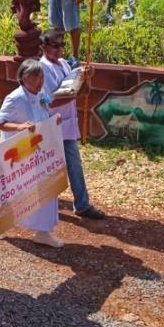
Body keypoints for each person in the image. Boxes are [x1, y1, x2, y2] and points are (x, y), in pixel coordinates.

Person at [0, 57, 65, 248]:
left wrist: (53, 120)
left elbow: (47, 108)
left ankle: (43, 231)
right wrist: (19, 127)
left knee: (46, 186)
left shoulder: (41, 93)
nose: (40, 81)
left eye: (41, 76)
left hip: (40, 149)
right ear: (24, 79)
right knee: (15, 189)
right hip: (18, 153)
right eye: (35, 77)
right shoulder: (15, 97)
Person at [39, 29, 106, 221]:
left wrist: (86, 78)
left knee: (74, 164)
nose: (60, 50)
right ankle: (44, 204)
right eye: (55, 46)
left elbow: (83, 93)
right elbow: (50, 101)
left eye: (63, 45)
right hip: (51, 125)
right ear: (44, 47)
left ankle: (82, 204)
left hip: (67, 125)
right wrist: (73, 93)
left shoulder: (64, 65)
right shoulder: (41, 69)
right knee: (48, 168)